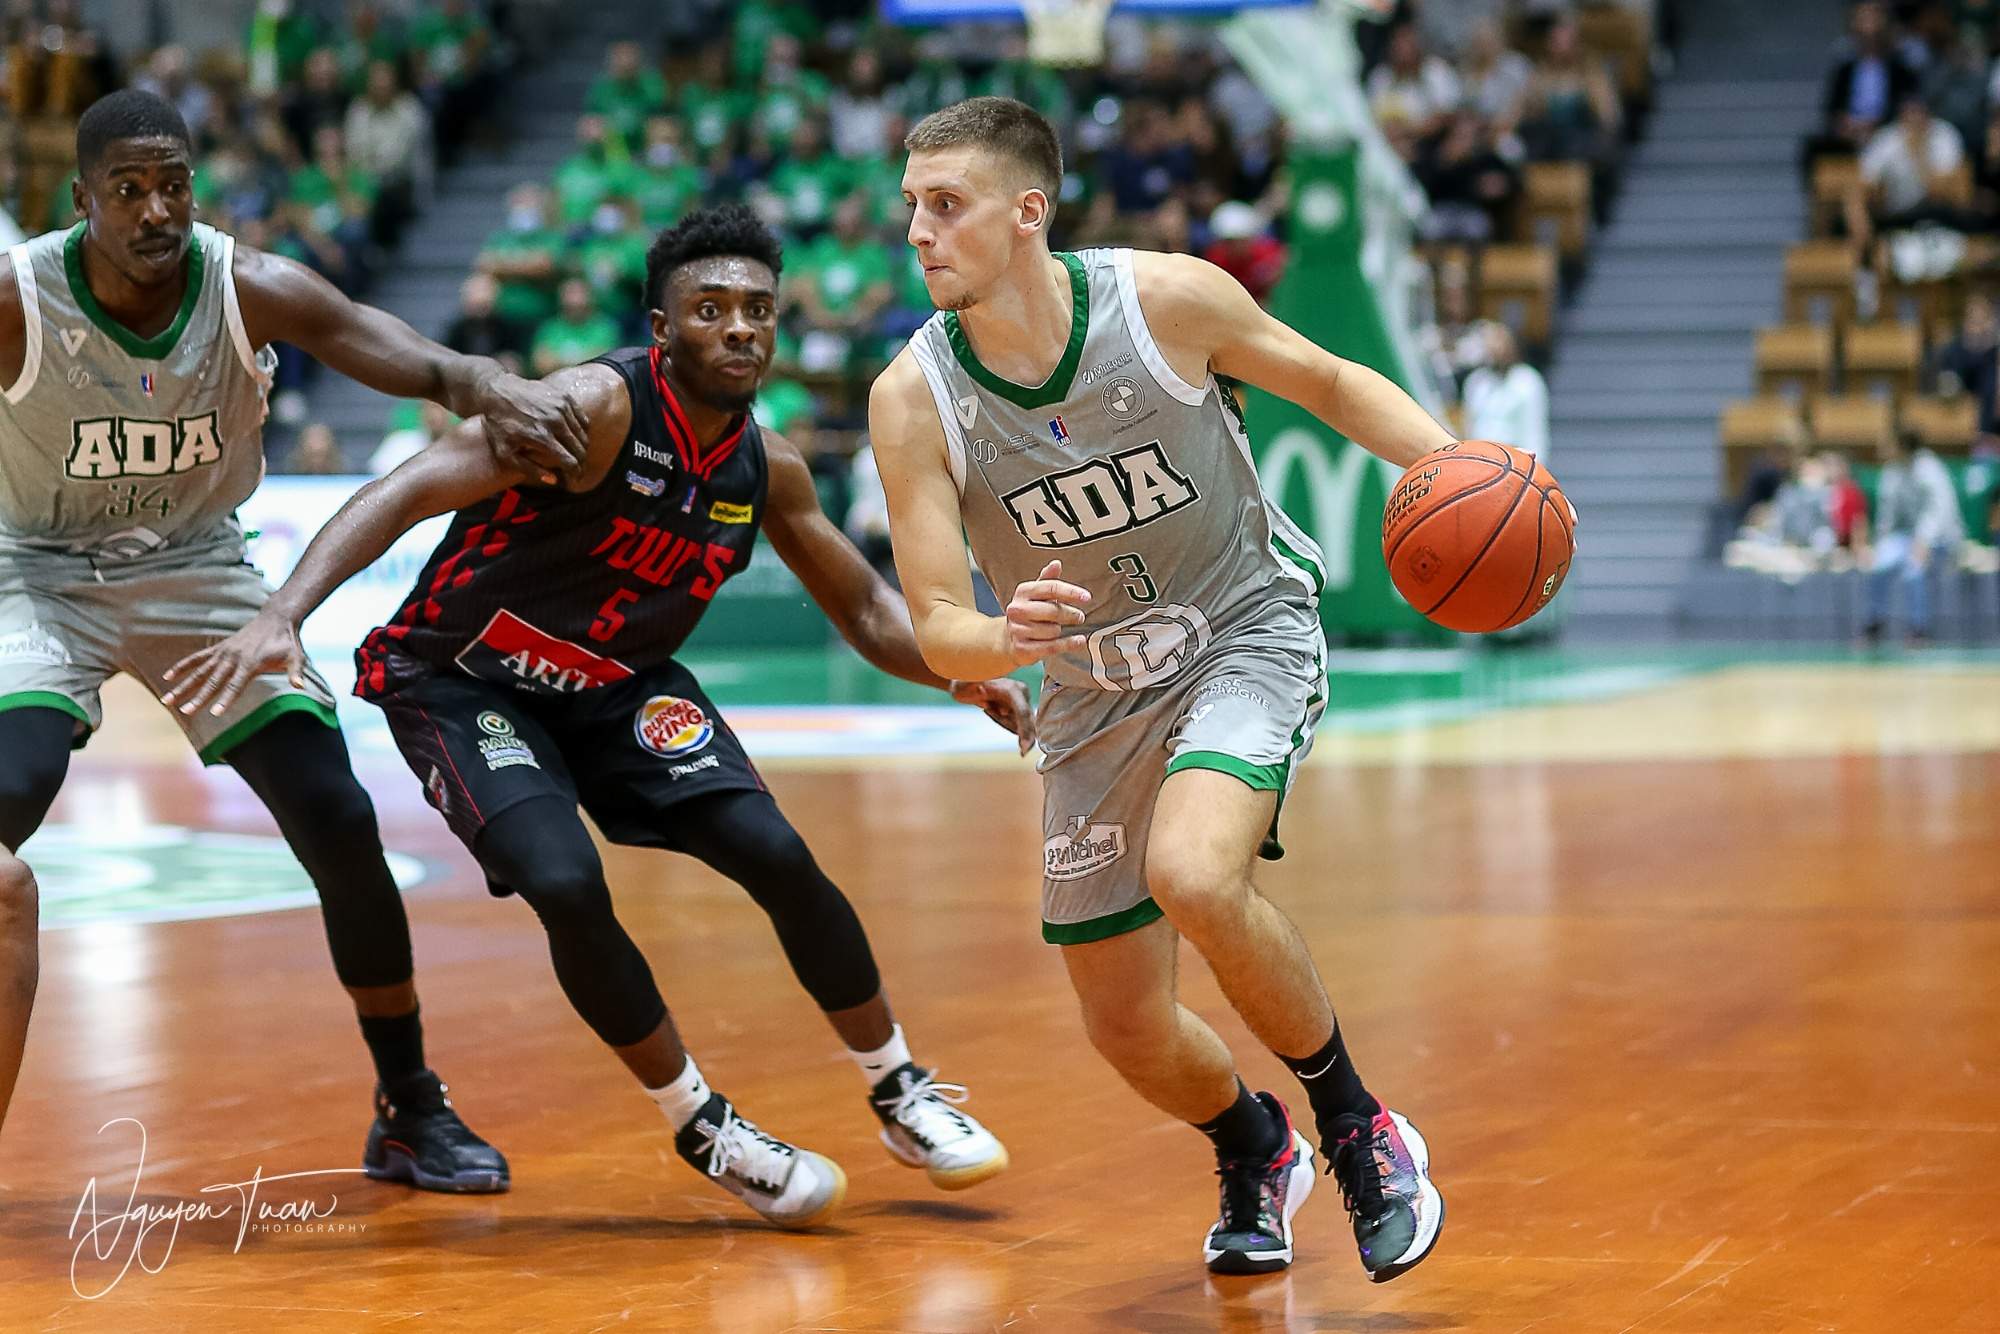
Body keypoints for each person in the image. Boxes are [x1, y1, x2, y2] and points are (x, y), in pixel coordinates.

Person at [165, 204, 1020, 1229]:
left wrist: (961, 672)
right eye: (711, 309)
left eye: (758, 309)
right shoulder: (592, 409)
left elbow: (871, 609)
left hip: (618, 683)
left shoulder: (767, 466)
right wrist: (281, 612)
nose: (741, 328)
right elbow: (405, 489)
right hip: (465, 677)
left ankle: (900, 1090)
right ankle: (706, 1125)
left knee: (776, 851)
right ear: (663, 329)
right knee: (564, 879)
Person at [870, 97, 1447, 1279]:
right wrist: (999, 634)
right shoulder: (910, 397)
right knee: (1124, 1026)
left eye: (945, 205)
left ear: (1027, 211)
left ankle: (1356, 1124)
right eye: (910, 209)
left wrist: (1457, 462)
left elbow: (1332, 382)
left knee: (1193, 870)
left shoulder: (1162, 299)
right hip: (1088, 694)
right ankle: (1253, 1142)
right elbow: (935, 625)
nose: (917, 233)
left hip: (1240, 624)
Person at [0, 90, 589, 1155]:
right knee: (8, 795)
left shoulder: (246, 284)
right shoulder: (19, 297)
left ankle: (408, 1102)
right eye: (126, 191)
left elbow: (393, 347)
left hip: (200, 568)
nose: (155, 212)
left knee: (337, 816)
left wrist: (486, 382)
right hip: (39, 571)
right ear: (81, 199)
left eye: (173, 186)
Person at [1863, 425, 1964, 643]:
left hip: (1941, 538)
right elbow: (1887, 514)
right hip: (1908, 536)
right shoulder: (1891, 472)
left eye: (1888, 443)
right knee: (1879, 564)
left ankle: (1919, 628)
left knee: (1913, 570)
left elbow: (1940, 510)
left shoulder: (1929, 468)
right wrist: (1877, 544)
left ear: (1901, 445)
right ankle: (1875, 622)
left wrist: (1924, 541)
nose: (1882, 447)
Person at [1461, 322, 1548, 457]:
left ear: (1512, 346)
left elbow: (1533, 429)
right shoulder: (1476, 381)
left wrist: (1536, 469)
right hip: (1479, 456)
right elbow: (1469, 426)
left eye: (1500, 342)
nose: (1495, 349)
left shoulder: (1527, 380)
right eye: (1491, 344)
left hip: (1514, 458)